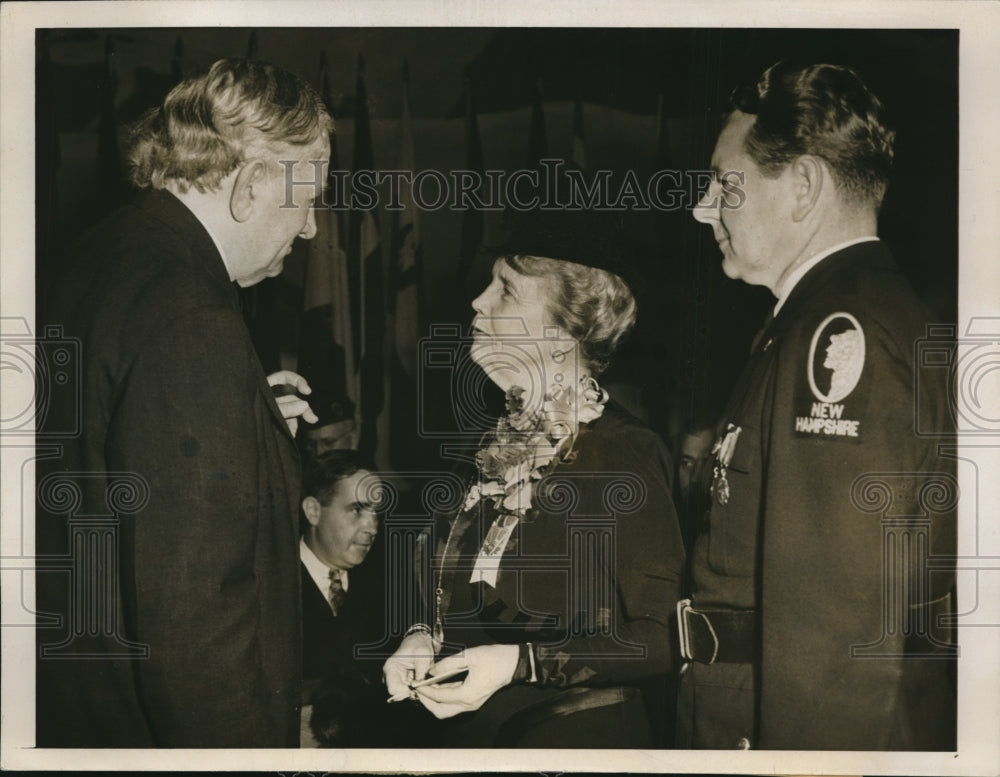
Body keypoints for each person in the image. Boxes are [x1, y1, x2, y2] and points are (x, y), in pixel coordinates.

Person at [35, 58, 332, 747]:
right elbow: (196, 618)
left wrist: (243, 424)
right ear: (253, 183)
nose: (313, 227)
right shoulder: (193, 315)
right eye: (307, 196)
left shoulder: (98, 256)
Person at [681, 61, 956, 750]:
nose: (702, 206)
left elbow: (833, 635)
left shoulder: (837, 334)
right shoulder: (850, 311)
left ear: (802, 185)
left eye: (724, 181)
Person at [382, 209, 685, 748]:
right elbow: (445, 590)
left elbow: (660, 638)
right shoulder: (484, 444)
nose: (477, 302)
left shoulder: (622, 451)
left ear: (564, 328)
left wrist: (523, 664)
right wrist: (420, 636)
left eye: (505, 290)